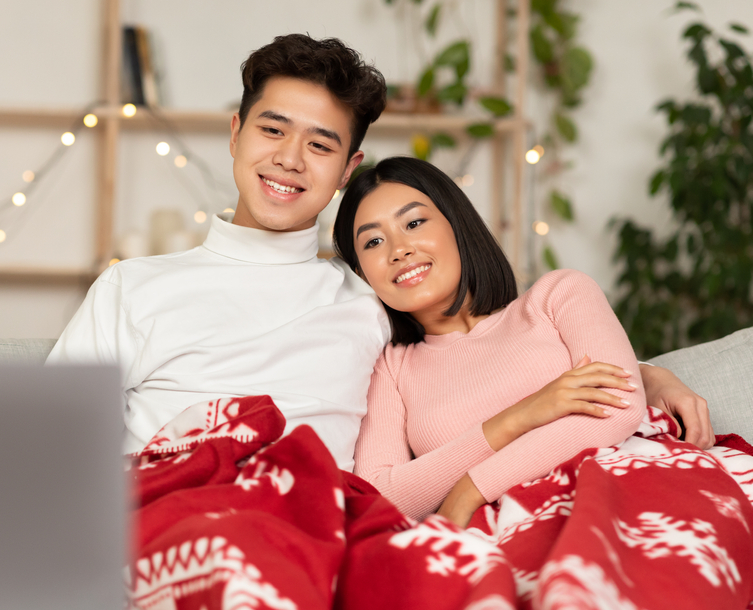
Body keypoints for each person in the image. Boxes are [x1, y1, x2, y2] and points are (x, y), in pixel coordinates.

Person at [48, 35, 714, 473]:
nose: (288, 158)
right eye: (272, 129)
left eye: (319, 143)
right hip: (164, 512)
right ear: (236, 132)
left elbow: (496, 345)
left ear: (347, 168)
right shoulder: (134, 288)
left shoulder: (368, 297)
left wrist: (649, 375)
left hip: (305, 533)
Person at [334, 156, 682, 526]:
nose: (398, 250)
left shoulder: (558, 295)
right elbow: (380, 496)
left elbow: (619, 406)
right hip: (505, 540)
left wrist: (471, 488)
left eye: (414, 222)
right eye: (373, 241)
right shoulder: (389, 367)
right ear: (362, 273)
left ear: (457, 224)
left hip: (629, 501)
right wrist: (520, 416)